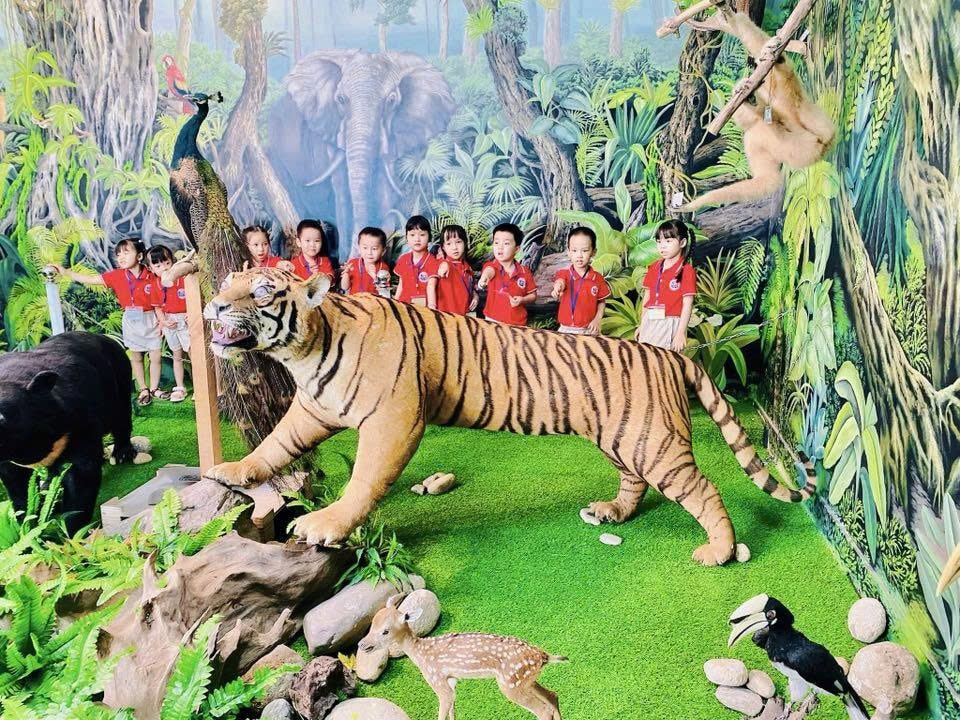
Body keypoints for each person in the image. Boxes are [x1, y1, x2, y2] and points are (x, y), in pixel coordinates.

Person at [54, 238, 165, 406]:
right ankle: (143, 389)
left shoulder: (152, 274)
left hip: (152, 318)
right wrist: (65, 272)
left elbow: (167, 281)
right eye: (118, 254)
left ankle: (155, 388)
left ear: (140, 256)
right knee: (136, 356)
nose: (121, 257)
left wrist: (163, 319)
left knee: (155, 355)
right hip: (131, 319)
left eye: (126, 252)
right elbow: (91, 279)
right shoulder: (117, 276)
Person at [634, 219, 697, 351]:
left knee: (661, 360)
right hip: (650, 319)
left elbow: (688, 304)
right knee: (645, 357)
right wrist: (642, 324)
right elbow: (647, 297)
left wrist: (680, 333)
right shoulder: (654, 267)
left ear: (682, 242)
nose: (662, 246)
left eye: (668, 241)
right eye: (659, 241)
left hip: (670, 323)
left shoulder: (686, 270)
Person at [146, 245, 189, 403]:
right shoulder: (155, 285)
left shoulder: (183, 279)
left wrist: (190, 314)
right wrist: (163, 321)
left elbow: (193, 299)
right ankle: (180, 387)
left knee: (193, 354)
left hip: (185, 321)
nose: (164, 268)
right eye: (157, 266)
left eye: (167, 263)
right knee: (177, 356)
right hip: (169, 322)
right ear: (150, 269)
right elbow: (157, 308)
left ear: (173, 262)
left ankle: (201, 386)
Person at [550, 226, 610, 335]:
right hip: (565, 329)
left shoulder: (597, 278)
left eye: (585, 250)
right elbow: (560, 282)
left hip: (589, 330)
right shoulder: (564, 273)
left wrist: (597, 320)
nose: (579, 255)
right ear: (568, 252)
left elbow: (601, 302)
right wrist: (557, 288)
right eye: (574, 250)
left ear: (593, 252)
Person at [476, 223, 537, 325]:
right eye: (496, 242)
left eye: (506, 243)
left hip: (517, 323)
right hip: (492, 321)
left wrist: (522, 300)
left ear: (517, 249)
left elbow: (533, 295)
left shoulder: (525, 272)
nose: (500, 247)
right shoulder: (491, 266)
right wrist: (484, 278)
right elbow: (489, 271)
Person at [394, 215, 440, 308]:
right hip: (403, 306)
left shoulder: (433, 262)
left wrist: (432, 308)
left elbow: (431, 287)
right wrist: (394, 303)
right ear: (406, 237)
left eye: (422, 235)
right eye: (412, 235)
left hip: (423, 309)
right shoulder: (403, 259)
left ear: (429, 237)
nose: (417, 239)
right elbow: (401, 285)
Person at [435, 224, 477, 315]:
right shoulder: (442, 264)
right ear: (443, 247)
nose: (454, 247)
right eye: (449, 243)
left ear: (465, 243)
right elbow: (440, 267)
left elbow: (471, 287)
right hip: (445, 317)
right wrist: (444, 264)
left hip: (464, 316)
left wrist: (475, 295)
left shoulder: (468, 268)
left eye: (458, 242)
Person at [341, 227, 391, 296]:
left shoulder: (383, 268)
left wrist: (374, 276)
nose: (369, 252)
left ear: (383, 251)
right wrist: (346, 274)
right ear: (359, 248)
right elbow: (345, 287)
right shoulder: (352, 264)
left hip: (373, 301)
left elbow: (384, 292)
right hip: (354, 300)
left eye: (374, 249)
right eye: (365, 248)